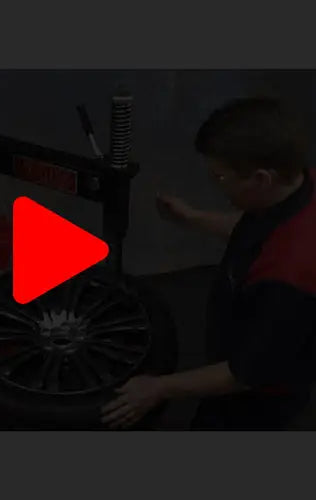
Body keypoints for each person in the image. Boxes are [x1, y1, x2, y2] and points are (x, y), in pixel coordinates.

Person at [101, 97, 316, 431]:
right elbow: (258, 231)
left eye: (221, 178)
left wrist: (157, 388)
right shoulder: (302, 183)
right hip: (250, 339)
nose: (217, 186)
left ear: (261, 179)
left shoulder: (287, 279)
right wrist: (193, 218)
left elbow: (244, 374)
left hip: (255, 402)